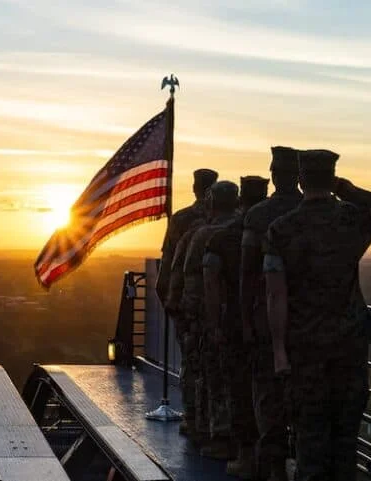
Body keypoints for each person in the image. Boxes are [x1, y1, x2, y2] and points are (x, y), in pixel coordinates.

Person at [264, 149, 371, 480]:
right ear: (332, 178)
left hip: (303, 351)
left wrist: (279, 352)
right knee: (345, 447)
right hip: (349, 348)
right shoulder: (353, 218)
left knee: (309, 444)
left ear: (301, 180)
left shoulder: (281, 229)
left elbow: (275, 294)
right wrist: (351, 192)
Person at [241, 147, 302, 481]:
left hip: (267, 324)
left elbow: (248, 276)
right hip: (316, 330)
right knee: (312, 411)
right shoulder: (332, 214)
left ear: (275, 176)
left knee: (269, 404)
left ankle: (274, 471)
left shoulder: (259, 217)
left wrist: (246, 321)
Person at [200, 180, 258, 477]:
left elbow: (209, 284)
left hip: (235, 325)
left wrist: (213, 325)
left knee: (236, 389)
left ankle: (241, 452)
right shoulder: (276, 229)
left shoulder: (217, 238)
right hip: (276, 328)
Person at [158, 168, 218, 438]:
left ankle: (195, 422)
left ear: (195, 188)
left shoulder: (182, 220)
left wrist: (171, 303)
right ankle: (219, 428)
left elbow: (168, 267)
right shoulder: (236, 221)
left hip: (191, 309)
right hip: (228, 312)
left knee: (193, 366)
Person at [182, 185, 233, 458]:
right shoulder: (242, 231)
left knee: (209, 377)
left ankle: (213, 435)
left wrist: (191, 319)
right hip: (241, 320)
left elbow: (192, 281)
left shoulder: (202, 235)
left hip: (209, 319)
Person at [156, 169, 219, 304]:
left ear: (194, 188)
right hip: (221, 296)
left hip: (188, 296)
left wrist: (166, 295)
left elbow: (168, 258)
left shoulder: (180, 218)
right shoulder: (232, 218)